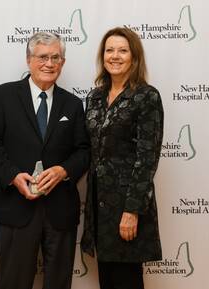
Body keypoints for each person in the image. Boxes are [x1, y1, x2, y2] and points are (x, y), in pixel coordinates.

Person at [0, 32, 90, 289]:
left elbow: (84, 151)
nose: (49, 64)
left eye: (55, 57)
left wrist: (64, 171)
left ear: (62, 63)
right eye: (42, 57)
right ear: (29, 59)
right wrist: (12, 176)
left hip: (60, 211)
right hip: (15, 208)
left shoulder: (73, 104)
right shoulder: (3, 96)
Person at [81, 27, 164, 289]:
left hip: (127, 205)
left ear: (134, 56)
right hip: (98, 204)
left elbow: (147, 158)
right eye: (109, 50)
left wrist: (132, 211)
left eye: (122, 50)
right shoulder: (94, 97)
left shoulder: (146, 96)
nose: (115, 56)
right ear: (102, 56)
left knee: (127, 279)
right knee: (107, 278)